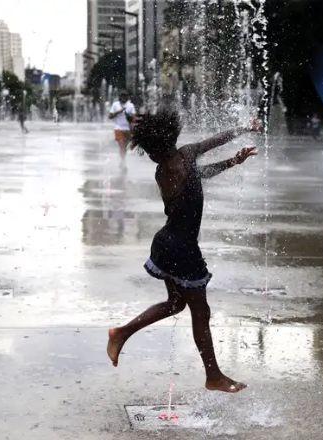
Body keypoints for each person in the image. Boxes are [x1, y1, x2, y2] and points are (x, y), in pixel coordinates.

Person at [107, 110, 261, 393]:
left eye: (150, 150)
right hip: (182, 249)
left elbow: (199, 175)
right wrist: (243, 129)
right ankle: (213, 376)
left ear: (155, 148)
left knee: (177, 304)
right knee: (200, 312)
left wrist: (233, 161)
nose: (150, 156)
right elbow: (215, 142)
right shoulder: (186, 156)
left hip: (167, 244)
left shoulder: (164, 170)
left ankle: (121, 333)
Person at [108, 91, 136, 169]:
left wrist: (131, 118)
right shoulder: (115, 104)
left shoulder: (130, 105)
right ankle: (123, 162)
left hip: (127, 130)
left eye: (125, 96)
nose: (124, 98)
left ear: (127, 97)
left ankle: (122, 160)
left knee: (124, 148)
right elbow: (110, 116)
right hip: (118, 128)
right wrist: (118, 112)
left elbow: (134, 118)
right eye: (122, 96)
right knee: (122, 145)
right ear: (120, 97)